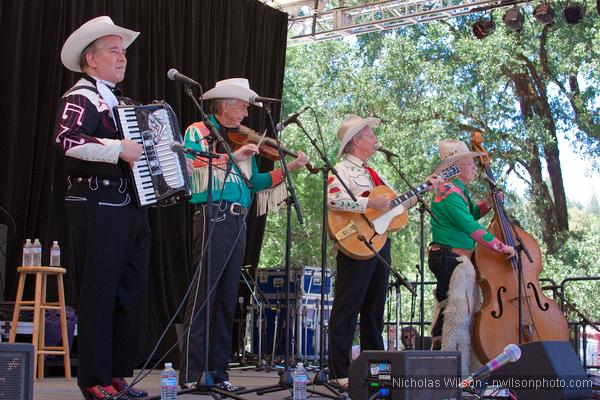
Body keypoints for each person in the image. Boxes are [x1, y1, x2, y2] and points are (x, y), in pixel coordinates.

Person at [178, 78, 308, 392]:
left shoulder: (242, 142)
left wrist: (291, 168)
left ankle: (219, 373)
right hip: (212, 213)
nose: (247, 114)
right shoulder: (198, 131)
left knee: (226, 298)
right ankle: (193, 372)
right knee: (205, 293)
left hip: (237, 219)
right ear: (224, 104)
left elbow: (255, 183)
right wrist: (232, 158)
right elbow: (189, 162)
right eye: (242, 105)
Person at [54, 16, 150, 400]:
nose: (122, 57)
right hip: (98, 202)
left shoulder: (121, 101)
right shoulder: (80, 96)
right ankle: (94, 377)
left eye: (123, 51)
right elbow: (67, 141)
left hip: (129, 205)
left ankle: (115, 374)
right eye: (114, 51)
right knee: (99, 292)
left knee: (128, 290)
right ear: (91, 60)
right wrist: (117, 149)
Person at [326, 114, 440, 389]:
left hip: (380, 242)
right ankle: (338, 373)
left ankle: (375, 375)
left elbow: (395, 207)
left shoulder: (376, 172)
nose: (375, 137)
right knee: (347, 307)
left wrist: (424, 188)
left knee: (375, 310)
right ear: (356, 141)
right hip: (356, 242)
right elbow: (332, 199)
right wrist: (368, 205)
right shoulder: (341, 169)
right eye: (369, 133)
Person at [428, 139, 516, 354]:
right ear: (456, 167)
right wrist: (500, 246)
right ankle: (443, 360)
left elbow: (471, 215)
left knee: (452, 310)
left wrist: (488, 202)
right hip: (449, 257)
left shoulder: (457, 190)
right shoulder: (448, 191)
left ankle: (447, 358)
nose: (475, 167)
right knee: (451, 311)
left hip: (455, 257)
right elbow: (469, 225)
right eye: (469, 163)